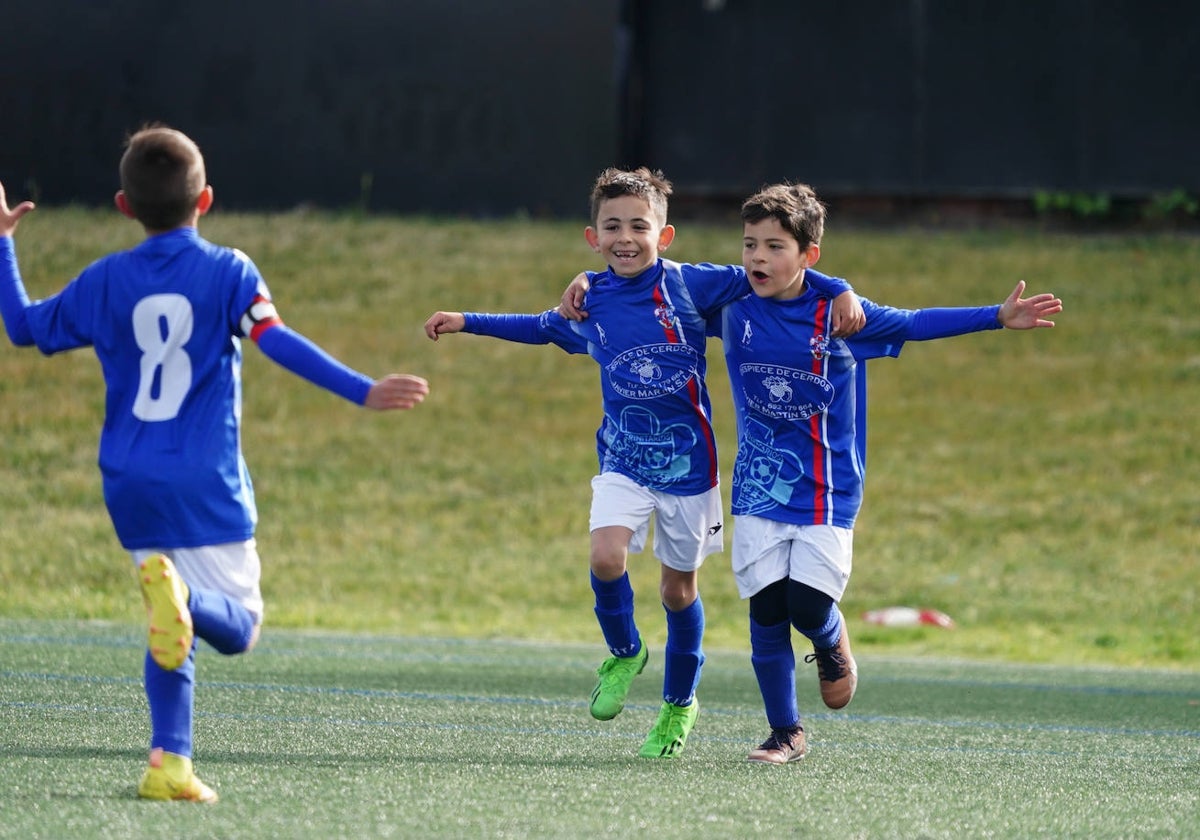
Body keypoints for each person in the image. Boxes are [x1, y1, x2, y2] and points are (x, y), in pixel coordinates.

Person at [0, 125, 430, 802]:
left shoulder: (105, 278)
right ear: (206, 202)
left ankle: (169, 764)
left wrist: (2, 244)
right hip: (204, 478)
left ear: (123, 205)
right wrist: (363, 390)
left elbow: (23, 329)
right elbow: (276, 341)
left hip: (129, 478)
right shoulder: (229, 270)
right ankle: (189, 604)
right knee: (235, 624)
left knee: (170, 627)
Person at [424, 167, 863, 759]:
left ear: (666, 233)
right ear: (592, 236)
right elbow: (539, 326)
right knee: (605, 555)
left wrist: (839, 288)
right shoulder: (592, 300)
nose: (625, 237)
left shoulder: (694, 287)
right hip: (624, 461)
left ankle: (678, 707)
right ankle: (626, 651)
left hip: (691, 474)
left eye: (639, 225)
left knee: (678, 593)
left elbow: (783, 271)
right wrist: (467, 320)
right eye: (612, 226)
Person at [711, 182, 1062, 764]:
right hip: (756, 487)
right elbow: (658, 280)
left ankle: (829, 640)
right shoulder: (729, 304)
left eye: (775, 246)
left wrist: (996, 318)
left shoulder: (842, 316)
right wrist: (588, 285)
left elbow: (916, 323)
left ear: (808, 255)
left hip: (828, 492)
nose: (757, 259)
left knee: (804, 605)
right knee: (765, 609)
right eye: (749, 244)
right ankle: (786, 732)